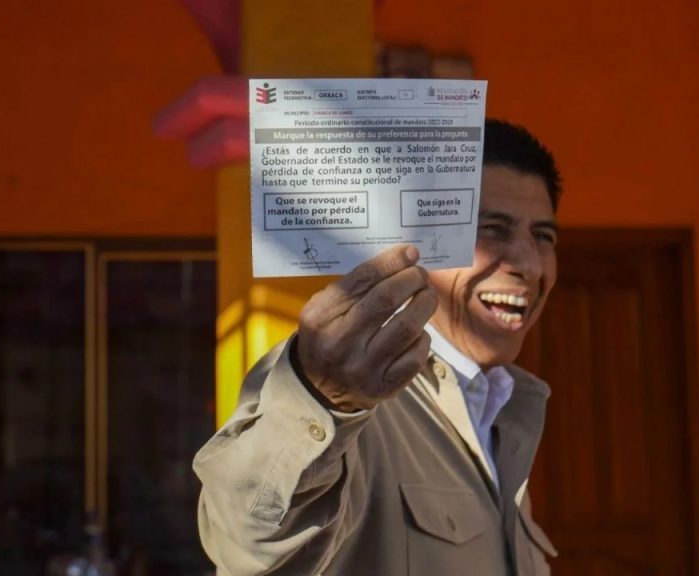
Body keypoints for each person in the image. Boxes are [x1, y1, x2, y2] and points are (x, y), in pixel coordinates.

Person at [195, 119, 561, 575]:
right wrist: (322, 399)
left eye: (543, 236)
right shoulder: (344, 396)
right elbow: (242, 542)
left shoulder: (503, 408)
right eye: (491, 229)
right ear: (411, 243)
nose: (529, 264)